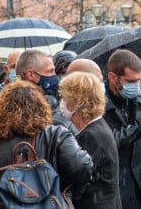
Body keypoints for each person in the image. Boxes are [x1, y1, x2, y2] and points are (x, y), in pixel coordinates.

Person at [0, 80, 93, 208]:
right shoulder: (57, 135)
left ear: (0, 112)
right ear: (41, 107)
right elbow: (82, 168)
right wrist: (64, 190)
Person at [59, 72, 122, 209]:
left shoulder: (91, 135)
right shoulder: (97, 128)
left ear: (77, 101)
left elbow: (78, 179)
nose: (62, 103)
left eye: (64, 97)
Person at [104, 49, 141, 208]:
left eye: (139, 81)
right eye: (130, 81)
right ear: (113, 77)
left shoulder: (136, 101)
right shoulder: (98, 106)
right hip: (115, 188)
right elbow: (108, 143)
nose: (136, 86)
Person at [53, 58, 104, 134]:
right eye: (97, 82)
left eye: (101, 81)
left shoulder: (93, 113)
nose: (101, 85)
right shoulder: (60, 125)